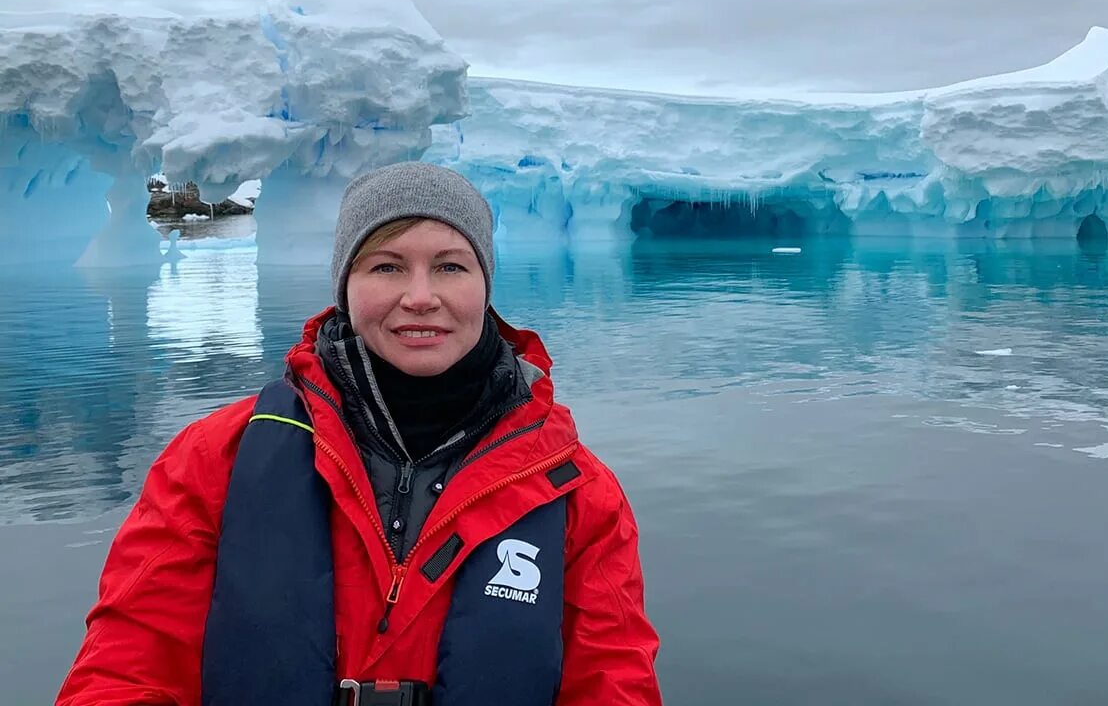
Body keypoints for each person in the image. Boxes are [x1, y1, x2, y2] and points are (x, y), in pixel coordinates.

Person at [57, 162, 662, 706]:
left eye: (451, 266)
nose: (420, 297)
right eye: (386, 266)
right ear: (344, 287)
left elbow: (614, 685)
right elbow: (127, 667)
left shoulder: (576, 493)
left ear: (486, 284)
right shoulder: (218, 457)